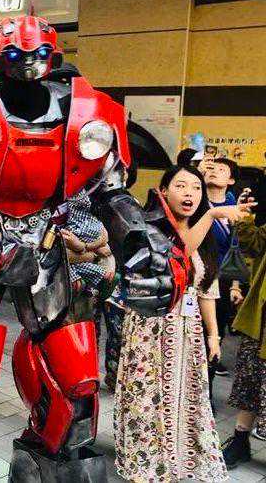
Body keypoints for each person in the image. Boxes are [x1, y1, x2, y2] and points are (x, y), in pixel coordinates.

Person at [114, 165, 253, 482]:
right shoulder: (150, 227)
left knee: (185, 396)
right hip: (149, 329)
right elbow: (178, 252)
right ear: (164, 191)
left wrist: (213, 335)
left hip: (186, 331)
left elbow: (206, 288)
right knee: (146, 398)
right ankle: (145, 463)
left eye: (196, 187)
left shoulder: (203, 234)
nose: (190, 193)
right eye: (181, 186)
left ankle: (177, 459)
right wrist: (213, 214)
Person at [222, 195, 266, 468]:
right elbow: (252, 245)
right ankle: (240, 442)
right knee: (249, 380)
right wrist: (245, 218)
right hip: (259, 320)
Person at [202, 156, 240, 378]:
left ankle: (208, 382)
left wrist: (235, 285)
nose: (214, 171)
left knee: (215, 333)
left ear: (231, 180)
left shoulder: (233, 207)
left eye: (221, 169)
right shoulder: (195, 201)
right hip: (197, 276)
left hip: (222, 278)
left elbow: (236, 248)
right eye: (211, 167)